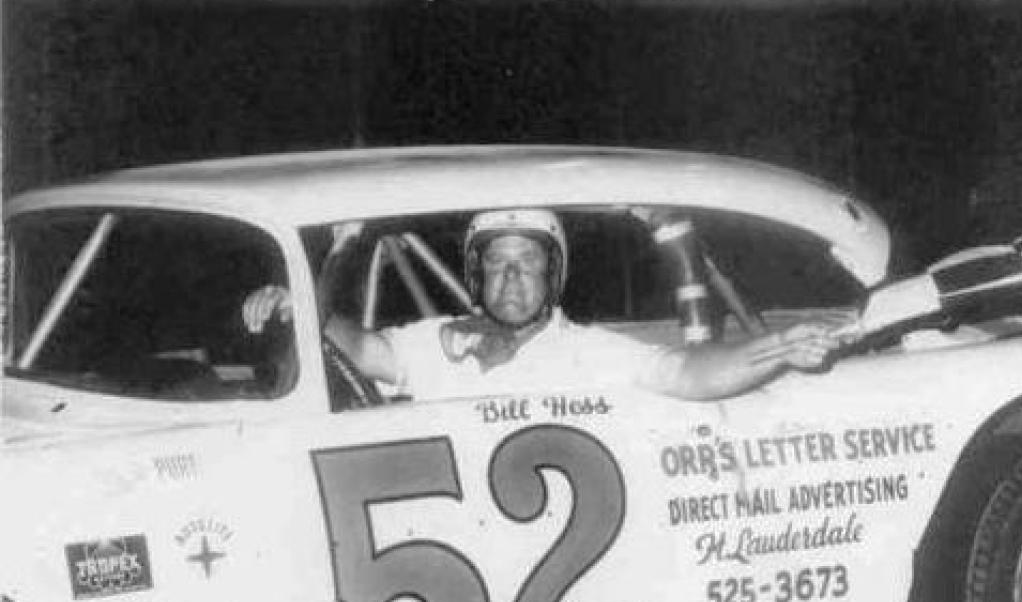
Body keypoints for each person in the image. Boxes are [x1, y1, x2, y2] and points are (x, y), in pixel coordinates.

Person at [242, 208, 858, 402]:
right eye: (496, 263)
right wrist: (299, 306)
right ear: (476, 274)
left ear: (554, 274)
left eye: (529, 263)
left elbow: (688, 374)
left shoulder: (587, 352)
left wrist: (778, 349)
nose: (511, 278)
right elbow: (359, 347)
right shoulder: (434, 342)